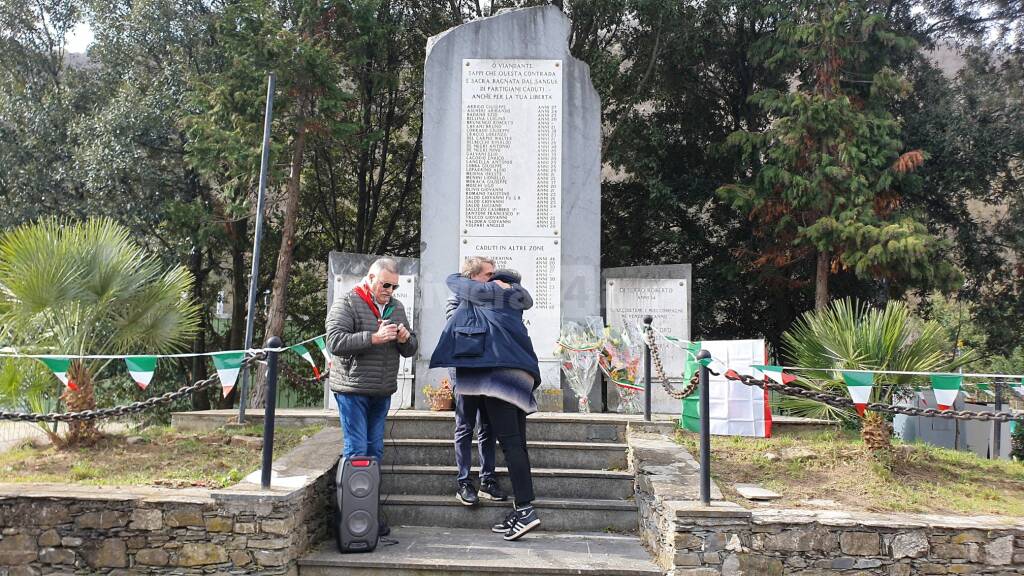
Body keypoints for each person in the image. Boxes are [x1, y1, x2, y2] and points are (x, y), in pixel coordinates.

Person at [430, 265, 542, 541]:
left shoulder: (490, 293)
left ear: (495, 281)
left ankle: (526, 511)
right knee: (518, 445)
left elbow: (452, 279)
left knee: (510, 444)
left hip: (498, 378)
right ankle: (521, 508)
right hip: (521, 376)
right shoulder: (515, 301)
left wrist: (489, 283)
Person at [326, 257, 418, 537]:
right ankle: (349, 519)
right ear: (370, 278)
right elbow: (334, 342)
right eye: (385, 284)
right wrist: (373, 338)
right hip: (352, 390)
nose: (389, 290)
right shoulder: (348, 302)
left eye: (394, 286)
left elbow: (411, 348)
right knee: (357, 452)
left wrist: (404, 339)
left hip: (381, 391)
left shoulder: (396, 307)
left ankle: (368, 515)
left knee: (375, 452)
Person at [446, 257, 507, 506]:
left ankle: (488, 480)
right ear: (472, 278)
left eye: (494, 276)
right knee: (464, 427)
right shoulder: (456, 298)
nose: (492, 280)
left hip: (489, 370)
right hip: (466, 371)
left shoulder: (496, 299)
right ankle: (463, 482)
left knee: (488, 428)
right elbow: (459, 326)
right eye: (487, 275)